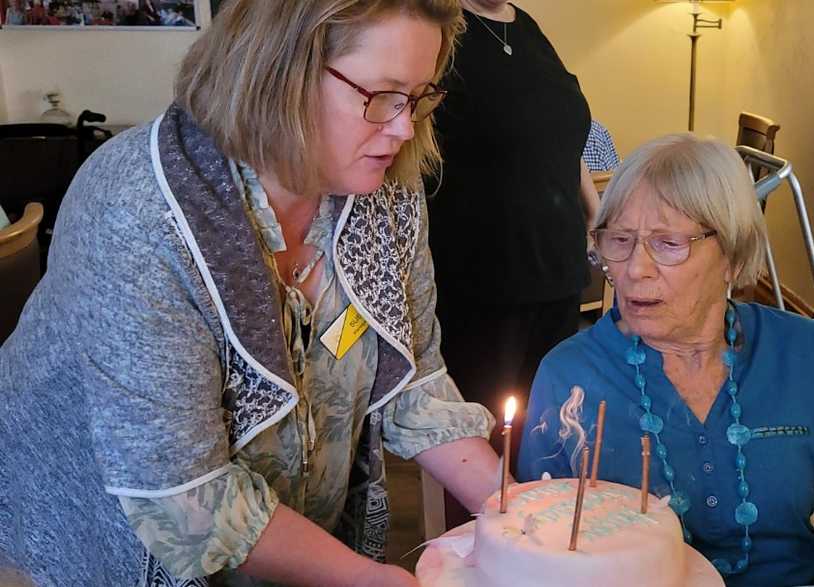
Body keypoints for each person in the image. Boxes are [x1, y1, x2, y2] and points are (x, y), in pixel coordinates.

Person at [0, 1, 503, 586]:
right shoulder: (140, 211)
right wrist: (367, 578)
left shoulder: (385, 185)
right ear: (275, 73)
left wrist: (515, 509)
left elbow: (412, 375)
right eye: (382, 96)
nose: (403, 127)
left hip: (286, 538)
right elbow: (185, 498)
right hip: (91, 542)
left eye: (419, 97)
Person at [517, 135, 814, 586]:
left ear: (732, 256)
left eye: (668, 243)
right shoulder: (570, 376)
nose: (634, 269)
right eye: (619, 240)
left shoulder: (802, 352)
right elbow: (540, 546)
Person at [427, 0, 601, 464]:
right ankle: (489, 530)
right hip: (484, 284)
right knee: (489, 439)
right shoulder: (438, 28)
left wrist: (597, 214)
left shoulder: (526, 27)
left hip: (558, 272)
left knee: (551, 427)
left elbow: (561, 136)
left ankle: (544, 525)